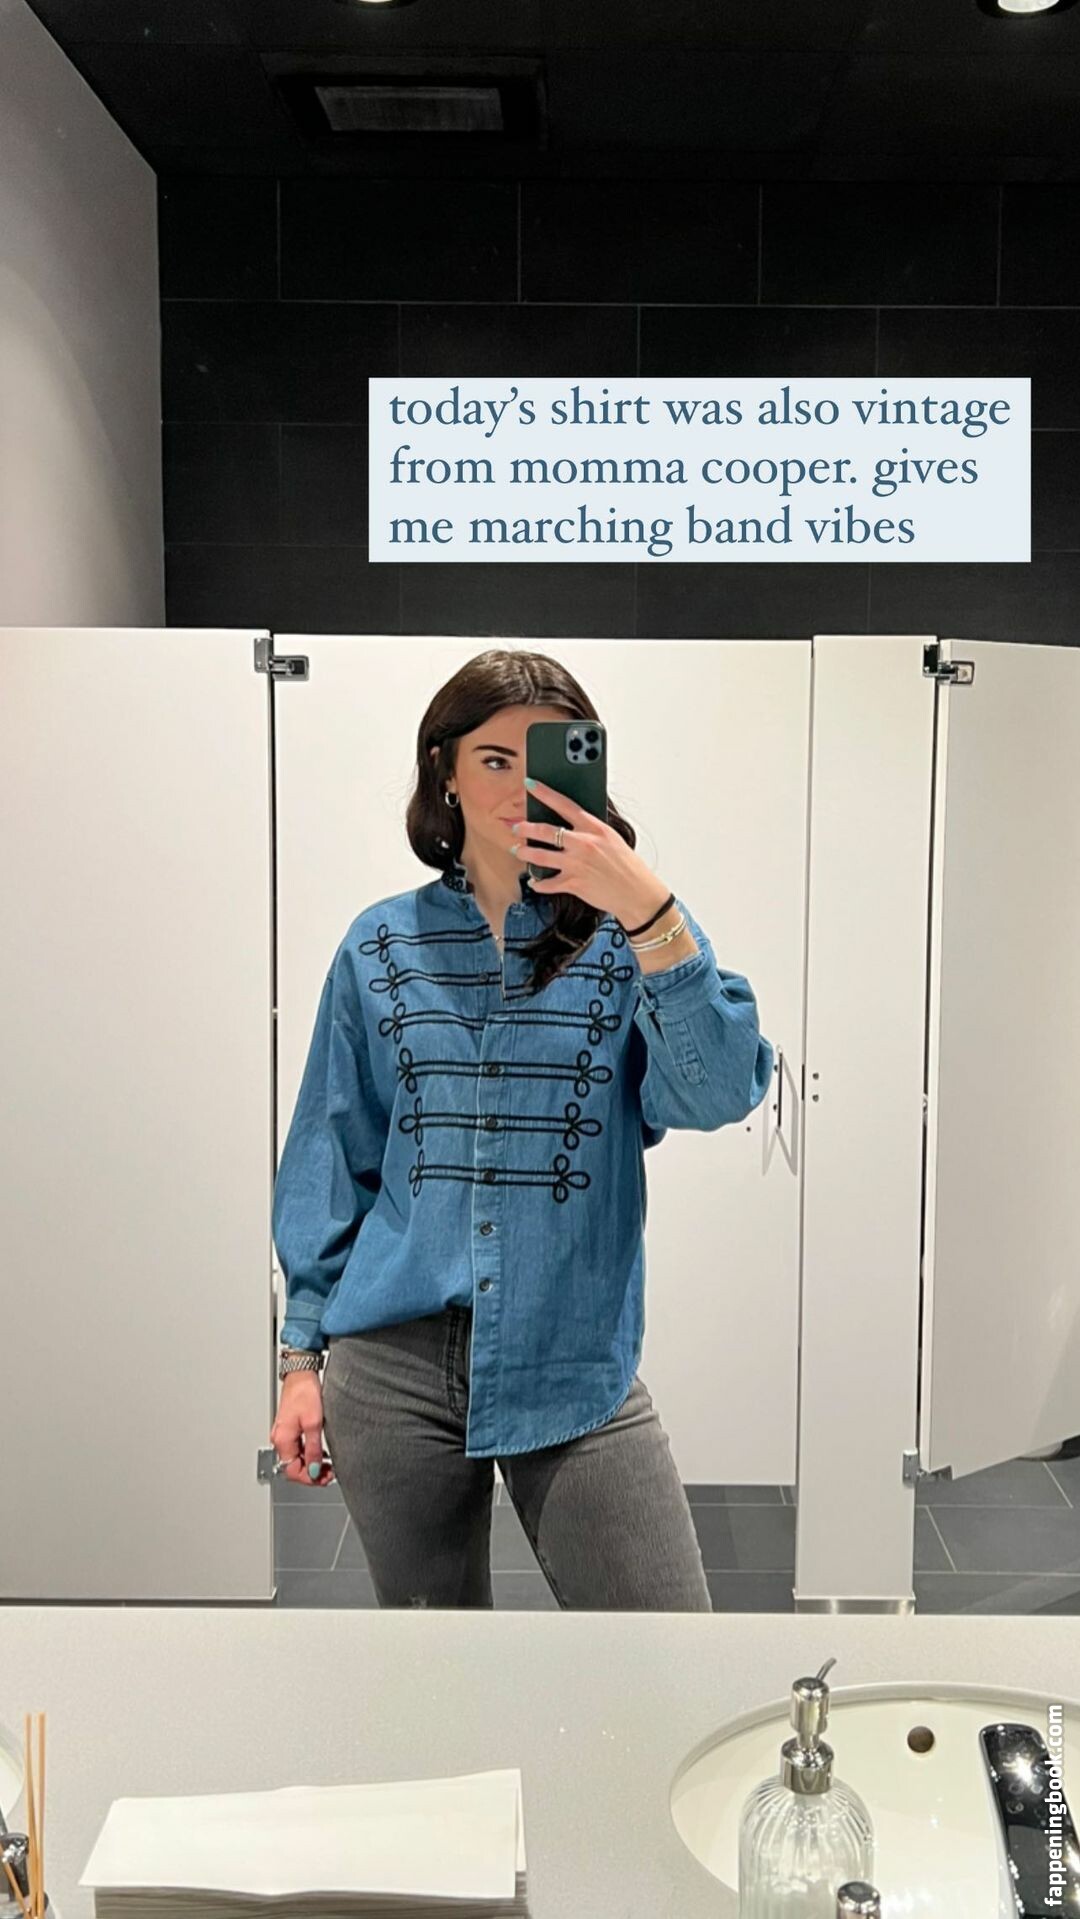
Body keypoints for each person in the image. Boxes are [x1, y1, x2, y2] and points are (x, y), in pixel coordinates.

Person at [270, 648, 774, 1610]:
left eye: (541, 760)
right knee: (436, 1661)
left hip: (574, 1361)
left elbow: (720, 1089)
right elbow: (332, 1155)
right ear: (447, 773)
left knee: (669, 1652)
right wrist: (301, 1359)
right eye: (493, 759)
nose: (517, 787)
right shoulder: (380, 945)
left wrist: (648, 907)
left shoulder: (629, 942)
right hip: (391, 1370)